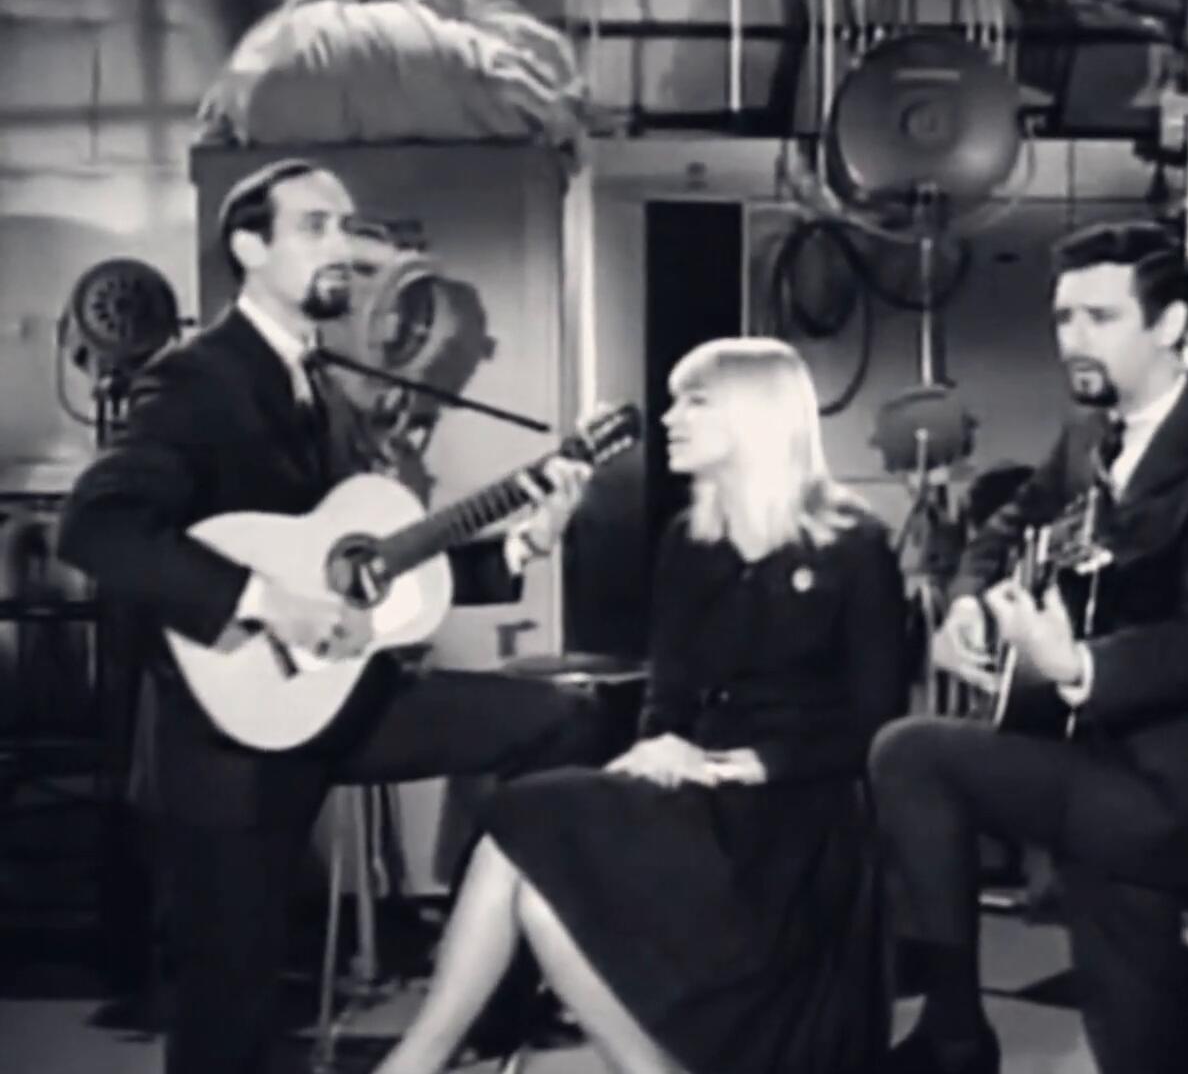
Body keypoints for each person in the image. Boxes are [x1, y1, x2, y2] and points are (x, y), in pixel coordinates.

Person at [56, 158, 619, 1074]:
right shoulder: (196, 379)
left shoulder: (324, 387)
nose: (344, 250)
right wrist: (264, 602)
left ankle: (481, 989)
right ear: (249, 246)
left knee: (559, 722)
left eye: (348, 228)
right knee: (228, 1016)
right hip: (226, 734)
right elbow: (98, 527)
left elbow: (369, 564)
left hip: (338, 701)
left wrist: (522, 544)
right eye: (315, 226)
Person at [373, 337, 908, 1074]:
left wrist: (763, 763)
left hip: (799, 809)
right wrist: (656, 744)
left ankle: (413, 1066)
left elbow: (879, 723)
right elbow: (670, 695)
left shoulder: (856, 546)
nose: (668, 419)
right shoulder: (687, 541)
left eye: (695, 402)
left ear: (755, 416)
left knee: (528, 836)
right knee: (530, 857)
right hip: (698, 791)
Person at [868, 220, 1188, 1074]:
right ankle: (955, 1029)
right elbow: (1008, 526)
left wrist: (1081, 666)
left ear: (1171, 324)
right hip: (1077, 760)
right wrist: (967, 604)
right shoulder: (1084, 437)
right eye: (1064, 318)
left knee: (1140, 1047)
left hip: (1165, 794)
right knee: (909, 755)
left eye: (1100, 317)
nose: (1072, 340)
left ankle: (959, 1037)